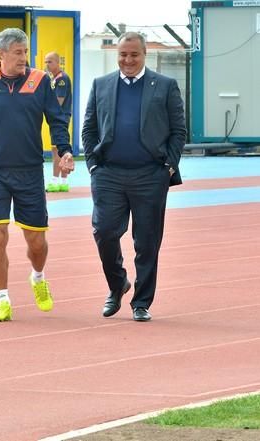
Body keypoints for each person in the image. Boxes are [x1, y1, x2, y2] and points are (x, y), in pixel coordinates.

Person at [0, 28, 74, 322]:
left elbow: (57, 120)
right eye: (18, 52)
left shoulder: (39, 82)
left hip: (29, 171)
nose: (24, 58)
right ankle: (2, 300)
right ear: (2, 53)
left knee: (36, 241)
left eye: (26, 52)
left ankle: (37, 277)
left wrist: (65, 150)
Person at [82, 32, 186, 322]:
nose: (128, 60)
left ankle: (141, 301)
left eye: (134, 55)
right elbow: (89, 129)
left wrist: (167, 167)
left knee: (147, 241)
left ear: (144, 55)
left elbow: (179, 131)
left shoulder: (165, 86)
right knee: (104, 232)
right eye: (123, 55)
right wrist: (93, 164)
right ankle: (118, 285)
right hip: (108, 174)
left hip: (150, 175)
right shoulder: (101, 85)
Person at [44, 51, 73, 193]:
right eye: (45, 62)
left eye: (49, 62)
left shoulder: (61, 79)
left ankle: (56, 181)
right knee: (59, 150)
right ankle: (63, 182)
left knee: (56, 151)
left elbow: (58, 101)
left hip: (60, 119)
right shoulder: (54, 79)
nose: (47, 65)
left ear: (57, 62)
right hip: (60, 118)